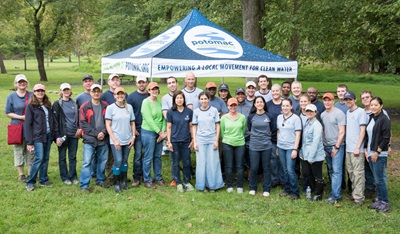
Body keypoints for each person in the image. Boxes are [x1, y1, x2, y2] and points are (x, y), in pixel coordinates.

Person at [24, 84, 56, 191]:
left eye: (42, 90)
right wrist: (29, 142)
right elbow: (28, 124)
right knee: (39, 158)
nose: (40, 92)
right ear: (34, 92)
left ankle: (43, 179)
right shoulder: (31, 106)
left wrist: (53, 135)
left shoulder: (47, 105)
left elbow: (51, 120)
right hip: (37, 136)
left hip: (48, 135)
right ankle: (30, 181)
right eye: (38, 91)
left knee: (45, 158)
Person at [79, 84, 109, 192]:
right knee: (87, 162)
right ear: (90, 93)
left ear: (101, 93)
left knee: (102, 161)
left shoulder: (106, 106)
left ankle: (100, 180)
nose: (96, 93)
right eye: (94, 91)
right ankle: (84, 185)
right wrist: (97, 133)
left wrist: (104, 132)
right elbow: (83, 123)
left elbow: (109, 121)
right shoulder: (84, 107)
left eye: (98, 91)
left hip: (104, 138)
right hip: (90, 139)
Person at [105, 87, 136, 193]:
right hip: (116, 140)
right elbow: (108, 125)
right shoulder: (110, 108)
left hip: (127, 139)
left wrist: (133, 137)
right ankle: (116, 183)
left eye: (122, 94)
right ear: (114, 96)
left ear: (125, 95)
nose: (120, 96)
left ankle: (123, 182)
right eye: (118, 94)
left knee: (124, 161)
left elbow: (132, 123)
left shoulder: (129, 108)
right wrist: (114, 140)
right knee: (117, 161)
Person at [192, 92, 224, 192]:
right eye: (201, 99)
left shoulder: (214, 111)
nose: (204, 101)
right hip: (200, 139)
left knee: (212, 162)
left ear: (209, 99)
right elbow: (194, 127)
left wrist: (216, 140)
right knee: (201, 163)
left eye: (205, 99)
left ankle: (213, 185)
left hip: (212, 139)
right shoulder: (196, 112)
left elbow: (217, 126)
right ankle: (202, 185)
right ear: (199, 100)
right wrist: (195, 141)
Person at [5, 74, 34, 182]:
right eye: (20, 82)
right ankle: (21, 174)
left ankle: (31, 173)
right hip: (16, 126)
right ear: (15, 83)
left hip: (30, 126)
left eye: (24, 81)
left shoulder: (32, 95)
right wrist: (21, 117)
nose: (22, 83)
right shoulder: (11, 96)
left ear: (27, 83)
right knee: (18, 149)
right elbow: (8, 113)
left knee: (30, 149)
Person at [364, 97, 391, 212]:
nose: (373, 107)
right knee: (376, 178)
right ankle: (379, 200)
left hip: (379, 153)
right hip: (370, 152)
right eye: (372, 105)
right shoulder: (372, 118)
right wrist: (366, 150)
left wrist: (377, 152)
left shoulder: (384, 119)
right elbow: (368, 136)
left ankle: (385, 202)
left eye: (376, 105)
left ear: (381, 106)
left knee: (380, 179)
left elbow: (386, 138)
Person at [166, 91, 195, 193]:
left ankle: (187, 182)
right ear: (174, 100)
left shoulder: (189, 112)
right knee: (175, 163)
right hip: (174, 141)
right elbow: (169, 127)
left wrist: (193, 140)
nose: (179, 100)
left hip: (186, 141)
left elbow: (191, 126)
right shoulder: (170, 112)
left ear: (184, 99)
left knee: (187, 162)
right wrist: (169, 142)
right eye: (177, 98)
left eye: (181, 98)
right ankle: (178, 182)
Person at [52, 83, 80, 185]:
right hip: (62, 135)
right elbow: (54, 121)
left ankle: (73, 176)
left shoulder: (75, 103)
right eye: (64, 90)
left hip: (74, 135)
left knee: (72, 157)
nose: (66, 92)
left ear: (71, 91)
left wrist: (79, 129)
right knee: (62, 157)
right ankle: (65, 177)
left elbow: (78, 118)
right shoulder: (57, 104)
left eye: (68, 90)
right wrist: (57, 136)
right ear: (61, 91)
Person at [343, 91, 368, 206]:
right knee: (351, 173)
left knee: (358, 174)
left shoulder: (361, 112)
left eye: (350, 99)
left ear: (355, 100)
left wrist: (358, 147)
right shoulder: (348, 112)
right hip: (348, 148)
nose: (348, 101)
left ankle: (359, 198)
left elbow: (363, 131)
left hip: (357, 149)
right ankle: (354, 193)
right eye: (346, 100)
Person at [141, 82, 167, 189]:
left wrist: (163, 132)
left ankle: (158, 177)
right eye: (153, 89)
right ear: (149, 91)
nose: (155, 91)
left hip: (160, 133)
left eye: (156, 89)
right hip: (148, 132)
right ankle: (147, 179)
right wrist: (159, 132)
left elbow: (164, 118)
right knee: (148, 157)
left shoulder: (160, 102)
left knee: (158, 156)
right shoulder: (145, 102)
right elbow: (149, 119)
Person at [321, 93, 346, 204]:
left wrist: (336, 146)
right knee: (331, 170)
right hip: (326, 146)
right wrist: (322, 146)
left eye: (329, 100)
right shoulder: (322, 115)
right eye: (325, 100)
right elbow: (322, 132)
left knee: (336, 171)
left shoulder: (339, 113)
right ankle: (334, 190)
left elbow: (342, 131)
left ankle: (335, 196)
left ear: (333, 101)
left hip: (337, 147)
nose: (327, 102)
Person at [247, 96, 273, 196]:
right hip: (254, 146)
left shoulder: (269, 116)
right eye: (257, 102)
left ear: (264, 103)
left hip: (266, 146)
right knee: (254, 167)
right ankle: (252, 187)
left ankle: (266, 189)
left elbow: (272, 129)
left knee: (266, 167)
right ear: (254, 104)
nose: (259, 104)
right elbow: (249, 129)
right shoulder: (251, 117)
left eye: (261, 102)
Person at [277, 99, 302, 200]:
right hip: (281, 146)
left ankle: (295, 192)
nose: (285, 108)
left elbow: (298, 134)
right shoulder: (279, 117)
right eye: (283, 106)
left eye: (287, 106)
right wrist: (278, 145)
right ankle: (287, 189)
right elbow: (278, 131)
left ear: (291, 107)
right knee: (285, 169)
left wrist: (295, 149)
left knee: (291, 170)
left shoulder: (296, 118)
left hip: (291, 147)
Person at [221, 98, 246, 193]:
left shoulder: (242, 117)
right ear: (228, 106)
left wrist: (238, 137)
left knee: (240, 165)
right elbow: (223, 132)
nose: (233, 107)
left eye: (234, 105)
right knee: (228, 165)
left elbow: (243, 130)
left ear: (237, 106)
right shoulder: (224, 118)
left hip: (240, 143)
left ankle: (239, 185)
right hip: (227, 143)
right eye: (231, 105)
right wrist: (227, 139)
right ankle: (230, 185)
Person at [126, 76, 148, 187]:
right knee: (138, 154)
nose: (141, 84)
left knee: (147, 154)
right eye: (139, 82)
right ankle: (136, 177)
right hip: (137, 131)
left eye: (143, 82)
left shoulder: (150, 95)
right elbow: (128, 115)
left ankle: (145, 175)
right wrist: (133, 130)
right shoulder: (131, 97)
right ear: (136, 83)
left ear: (146, 83)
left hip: (148, 130)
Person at [301, 104, 325, 201]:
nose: (309, 113)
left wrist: (311, 157)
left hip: (315, 155)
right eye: (307, 111)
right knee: (306, 173)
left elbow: (315, 142)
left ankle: (319, 194)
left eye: (311, 111)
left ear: (315, 113)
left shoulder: (317, 125)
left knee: (317, 174)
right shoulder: (306, 122)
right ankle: (313, 189)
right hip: (305, 154)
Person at [266, 84, 284, 188]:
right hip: (271, 137)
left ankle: (282, 180)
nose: (275, 93)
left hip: (284, 137)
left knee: (282, 160)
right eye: (273, 91)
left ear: (280, 92)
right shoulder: (267, 105)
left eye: (277, 91)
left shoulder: (285, 104)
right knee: (273, 159)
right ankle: (274, 180)